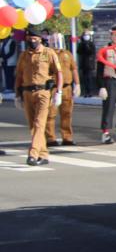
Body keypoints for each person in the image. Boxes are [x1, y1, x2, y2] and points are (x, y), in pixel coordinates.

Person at [14, 27, 62, 166]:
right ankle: (43, 154)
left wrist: (58, 92)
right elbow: (19, 76)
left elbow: (58, 72)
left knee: (39, 124)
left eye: (34, 38)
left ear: (40, 39)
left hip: (43, 92)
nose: (32, 41)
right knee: (33, 126)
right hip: (27, 92)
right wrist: (17, 95)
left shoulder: (48, 53)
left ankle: (33, 154)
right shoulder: (24, 55)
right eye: (30, 39)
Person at [44, 36, 80, 147]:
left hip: (67, 88)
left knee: (67, 114)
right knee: (50, 114)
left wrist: (77, 84)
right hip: (53, 88)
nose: (56, 44)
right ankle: (50, 138)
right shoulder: (47, 54)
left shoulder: (67, 54)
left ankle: (67, 137)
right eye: (54, 41)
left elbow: (74, 69)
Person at [76, 30, 96, 96]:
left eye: (87, 35)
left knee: (89, 78)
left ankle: (90, 92)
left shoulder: (91, 44)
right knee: (84, 79)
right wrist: (83, 44)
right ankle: (85, 92)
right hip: (83, 64)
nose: (86, 36)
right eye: (85, 35)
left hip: (90, 64)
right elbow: (78, 51)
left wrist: (87, 46)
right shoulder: (81, 44)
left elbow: (92, 52)